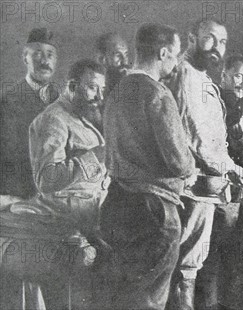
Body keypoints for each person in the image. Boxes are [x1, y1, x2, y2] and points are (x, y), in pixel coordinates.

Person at [0, 59, 108, 310]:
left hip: (87, 218)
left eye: (102, 89)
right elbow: (46, 179)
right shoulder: (54, 119)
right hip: (63, 221)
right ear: (71, 86)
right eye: (93, 88)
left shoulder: (79, 116)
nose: (99, 97)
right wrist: (94, 157)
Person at [101, 23, 195, 309]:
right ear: (163, 52)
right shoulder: (158, 93)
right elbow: (178, 161)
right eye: (175, 55)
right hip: (154, 211)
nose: (177, 62)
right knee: (149, 300)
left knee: (124, 295)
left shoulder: (116, 91)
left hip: (117, 204)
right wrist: (192, 167)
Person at [165, 18, 243, 310]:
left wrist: (229, 165)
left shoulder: (203, 79)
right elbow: (195, 136)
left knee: (196, 264)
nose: (217, 47)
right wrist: (232, 167)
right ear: (191, 38)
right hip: (189, 189)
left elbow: (215, 139)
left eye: (223, 41)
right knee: (185, 264)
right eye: (210, 38)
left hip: (206, 189)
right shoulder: (185, 74)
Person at [1, 28, 60, 200]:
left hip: (57, 194)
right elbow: (10, 158)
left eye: (50, 55)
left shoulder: (61, 100)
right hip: (22, 195)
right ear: (25, 58)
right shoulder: (9, 101)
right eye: (38, 54)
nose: (45, 61)